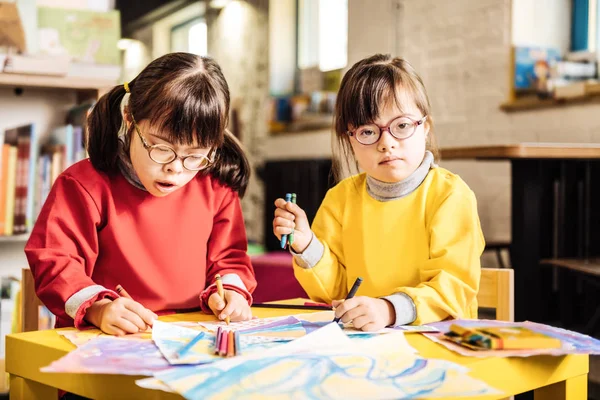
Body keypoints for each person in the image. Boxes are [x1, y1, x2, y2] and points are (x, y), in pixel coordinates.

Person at [25, 52, 256, 335]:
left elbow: (229, 259)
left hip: (193, 341)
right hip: (107, 340)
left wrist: (231, 292)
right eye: (161, 148)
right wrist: (99, 308)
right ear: (129, 119)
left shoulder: (216, 188)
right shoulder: (83, 185)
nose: (175, 168)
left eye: (195, 156)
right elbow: (55, 260)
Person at [273, 54, 484, 331]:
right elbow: (334, 291)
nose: (386, 143)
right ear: (350, 139)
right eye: (368, 131)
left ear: (425, 128)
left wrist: (389, 309)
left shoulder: (450, 195)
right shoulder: (340, 199)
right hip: (366, 345)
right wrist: (306, 245)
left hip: (438, 343)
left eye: (402, 126)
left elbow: (453, 287)